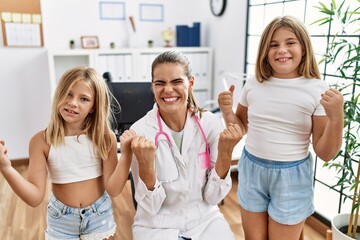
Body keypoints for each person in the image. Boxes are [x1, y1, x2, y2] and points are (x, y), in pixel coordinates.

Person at [218, 15, 344, 240]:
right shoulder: (255, 82)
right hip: (252, 168)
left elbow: (325, 153)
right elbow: (240, 128)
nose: (281, 50)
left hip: (291, 176)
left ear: (304, 48)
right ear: (265, 51)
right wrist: (227, 112)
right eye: (273, 45)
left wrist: (337, 118)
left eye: (290, 42)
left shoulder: (317, 89)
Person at [121, 50, 242, 240]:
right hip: (156, 226)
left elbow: (213, 197)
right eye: (160, 83)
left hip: (204, 220)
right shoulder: (141, 131)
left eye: (176, 81)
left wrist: (226, 153)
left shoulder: (209, 124)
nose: (168, 90)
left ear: (191, 83)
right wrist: (146, 167)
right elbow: (151, 206)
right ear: (152, 87)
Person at [0, 66, 132, 239]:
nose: (73, 102)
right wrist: (6, 168)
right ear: (59, 94)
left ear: (94, 106)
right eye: (68, 94)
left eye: (84, 99)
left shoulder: (104, 138)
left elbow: (114, 189)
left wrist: (127, 154)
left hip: (99, 215)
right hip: (60, 220)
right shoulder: (41, 141)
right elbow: (34, 198)